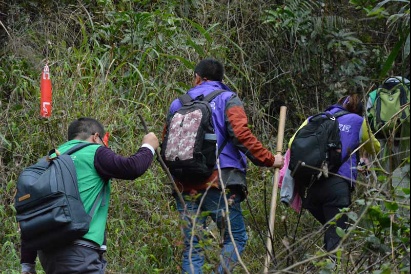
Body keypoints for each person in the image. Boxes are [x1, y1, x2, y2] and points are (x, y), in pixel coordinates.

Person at [164, 58, 284, 273]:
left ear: (198, 78)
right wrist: (269, 159)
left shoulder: (178, 103)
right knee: (236, 237)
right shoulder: (228, 99)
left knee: (193, 246)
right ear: (221, 80)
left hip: (183, 185)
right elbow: (241, 135)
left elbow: (166, 144)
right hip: (219, 182)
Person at [20, 117, 159, 274]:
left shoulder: (49, 159)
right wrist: (148, 145)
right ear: (95, 137)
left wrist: (27, 263)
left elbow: (33, 211)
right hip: (79, 251)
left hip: (48, 254)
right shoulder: (93, 151)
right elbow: (131, 168)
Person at [291, 93, 380, 252]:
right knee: (335, 239)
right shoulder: (358, 121)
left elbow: (292, 143)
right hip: (337, 186)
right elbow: (376, 147)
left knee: (331, 231)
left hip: (311, 188)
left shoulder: (315, 118)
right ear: (357, 110)